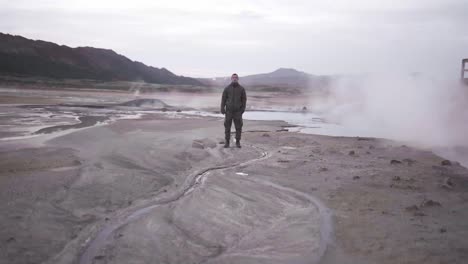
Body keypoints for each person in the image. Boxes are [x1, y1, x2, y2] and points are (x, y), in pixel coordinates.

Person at [220, 73, 247, 148]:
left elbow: (244, 100)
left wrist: (242, 109)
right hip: (228, 111)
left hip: (238, 112)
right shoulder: (227, 88)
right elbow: (223, 99)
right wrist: (222, 108)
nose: (234, 78)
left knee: (238, 127)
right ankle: (227, 142)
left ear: (238, 79)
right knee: (227, 127)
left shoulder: (241, 89)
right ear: (231, 79)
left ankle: (237, 142)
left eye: (236, 77)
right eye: (233, 77)